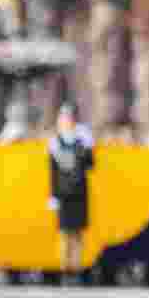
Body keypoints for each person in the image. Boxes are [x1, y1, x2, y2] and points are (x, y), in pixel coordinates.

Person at [48, 104, 95, 279]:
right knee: (65, 234)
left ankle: (76, 269)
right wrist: (53, 195)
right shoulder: (56, 142)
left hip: (79, 192)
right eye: (63, 117)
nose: (66, 120)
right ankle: (64, 269)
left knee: (78, 234)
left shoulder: (81, 141)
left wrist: (88, 147)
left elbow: (90, 165)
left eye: (69, 117)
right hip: (63, 193)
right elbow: (53, 171)